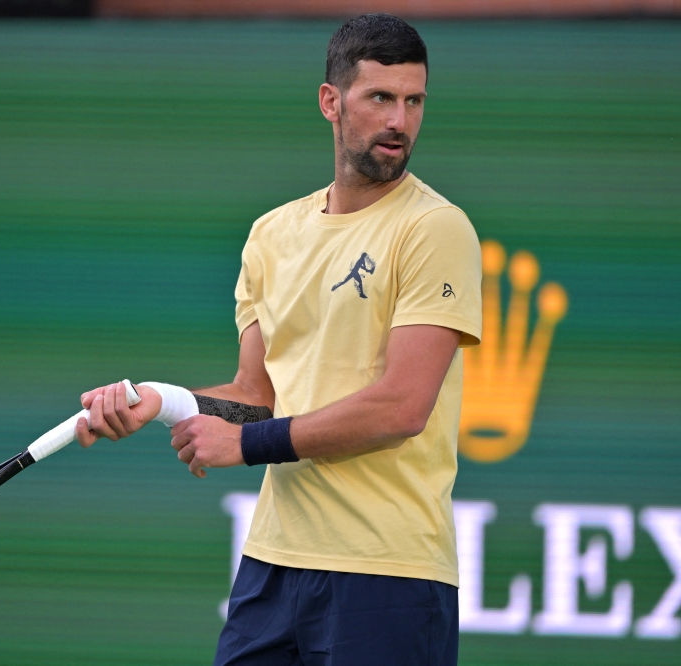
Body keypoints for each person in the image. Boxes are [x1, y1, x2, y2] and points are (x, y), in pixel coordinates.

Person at [75, 14, 482, 666]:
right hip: (274, 564)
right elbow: (255, 397)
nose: (399, 121)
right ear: (331, 101)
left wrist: (247, 444)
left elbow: (403, 407)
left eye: (413, 101)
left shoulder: (436, 229)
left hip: (388, 572)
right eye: (380, 98)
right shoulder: (271, 235)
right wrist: (161, 400)